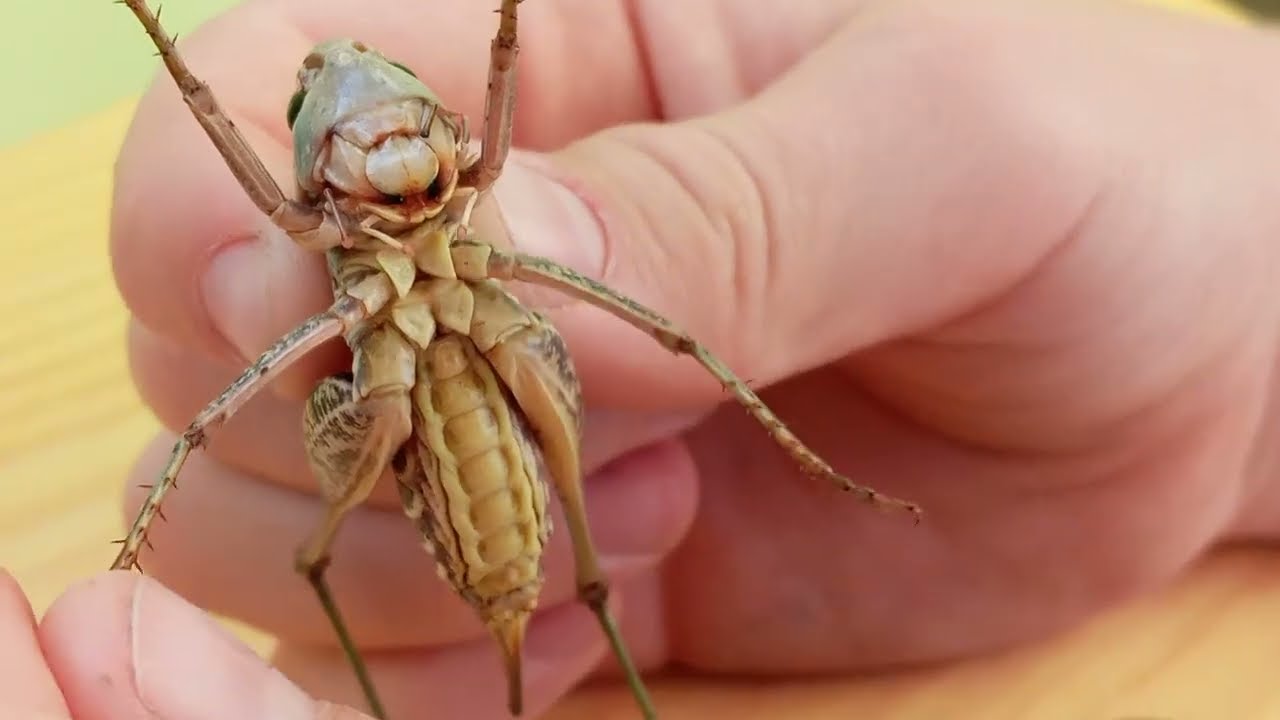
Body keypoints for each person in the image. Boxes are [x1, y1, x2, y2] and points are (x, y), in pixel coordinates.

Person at [10, 0, 1279, 717]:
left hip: (497, 351)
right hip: (399, 401)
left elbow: (663, 315)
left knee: (612, 452)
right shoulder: (304, 230)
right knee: (304, 519)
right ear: (302, 164)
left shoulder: (495, 180)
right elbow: (231, 346)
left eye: (391, 84)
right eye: (319, 107)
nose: (357, 98)